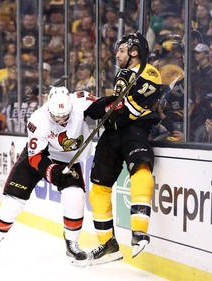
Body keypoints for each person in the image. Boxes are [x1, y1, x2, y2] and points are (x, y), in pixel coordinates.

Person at [0, 87, 96, 266]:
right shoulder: (38, 119)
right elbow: (36, 156)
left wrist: (111, 108)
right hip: (38, 156)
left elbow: (103, 105)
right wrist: (51, 171)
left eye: (65, 116)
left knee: (75, 197)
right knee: (12, 201)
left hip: (67, 157)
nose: (60, 120)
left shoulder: (80, 101)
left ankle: (72, 243)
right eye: (56, 116)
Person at [84, 32, 162, 264]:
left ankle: (139, 231)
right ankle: (108, 244)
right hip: (112, 134)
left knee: (140, 168)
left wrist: (103, 105)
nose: (116, 54)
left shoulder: (149, 73)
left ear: (134, 51)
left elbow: (129, 109)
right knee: (98, 185)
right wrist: (105, 107)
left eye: (121, 50)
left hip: (134, 130)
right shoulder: (123, 74)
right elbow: (114, 109)